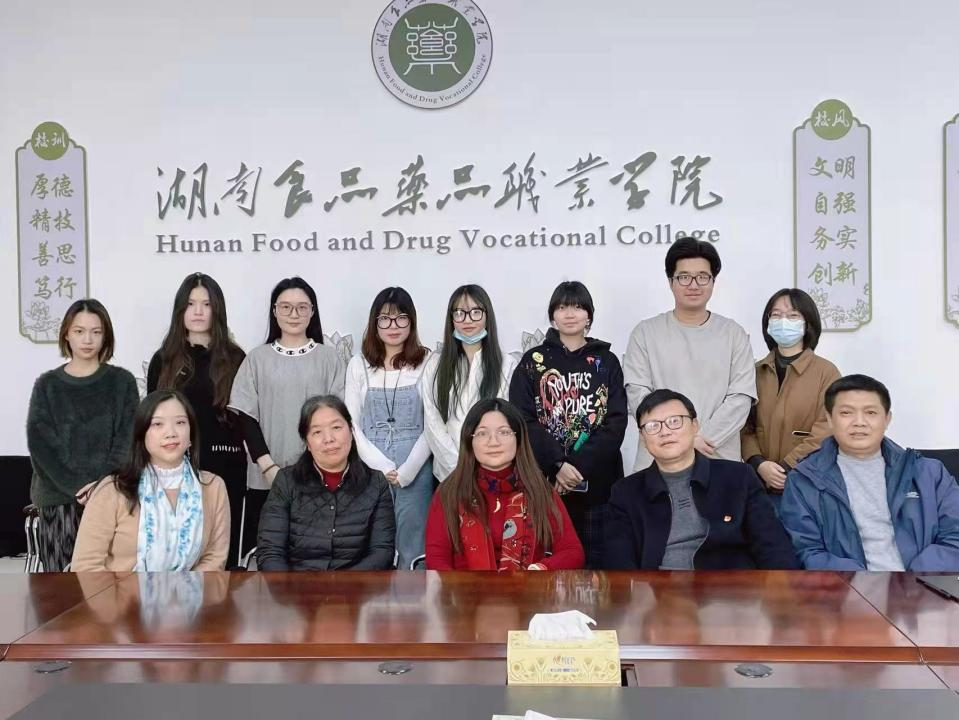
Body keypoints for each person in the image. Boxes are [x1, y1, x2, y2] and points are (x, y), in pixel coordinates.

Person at [780, 375, 959, 571]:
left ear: (887, 419)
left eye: (871, 412)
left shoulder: (929, 473)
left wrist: (912, 581)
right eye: (846, 413)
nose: (859, 422)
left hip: (924, 582)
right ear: (830, 419)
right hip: (846, 586)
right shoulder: (804, 479)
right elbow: (806, 550)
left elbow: (955, 535)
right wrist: (861, 582)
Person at [605, 389, 798, 570]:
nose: (665, 432)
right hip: (658, 590)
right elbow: (619, 564)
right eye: (653, 426)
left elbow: (774, 548)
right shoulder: (625, 492)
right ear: (642, 436)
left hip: (731, 589)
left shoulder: (739, 478)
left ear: (694, 426)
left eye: (675, 421)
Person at [509, 280, 627, 567]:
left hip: (598, 485)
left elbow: (615, 421)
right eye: (562, 307)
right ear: (553, 316)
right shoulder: (533, 361)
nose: (570, 314)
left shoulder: (607, 361)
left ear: (589, 315)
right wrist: (558, 465)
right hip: (545, 485)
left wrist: (577, 467)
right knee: (549, 568)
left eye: (577, 307)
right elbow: (522, 419)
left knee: (597, 570)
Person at [228, 277, 346, 554]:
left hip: (319, 477)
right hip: (265, 478)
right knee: (264, 558)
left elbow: (337, 419)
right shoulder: (256, 359)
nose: (294, 314)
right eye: (285, 307)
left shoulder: (330, 359)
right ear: (274, 311)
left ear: (312, 311)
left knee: (316, 558)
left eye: (302, 307)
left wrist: (316, 466)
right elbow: (246, 417)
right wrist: (268, 467)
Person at [623, 238, 756, 471]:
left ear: (713, 281)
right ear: (670, 282)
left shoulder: (734, 334)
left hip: (717, 458)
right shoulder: (645, 333)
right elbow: (638, 395)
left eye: (702, 277)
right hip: (658, 462)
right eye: (684, 277)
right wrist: (682, 439)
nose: (693, 285)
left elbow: (740, 399)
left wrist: (697, 439)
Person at [26, 299, 139, 571]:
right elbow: (41, 447)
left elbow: (126, 441)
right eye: (79, 331)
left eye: (96, 332)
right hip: (58, 501)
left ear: (105, 335)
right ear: (67, 334)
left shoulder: (122, 382)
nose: (87, 339)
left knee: (110, 586)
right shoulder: (47, 385)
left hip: (111, 499)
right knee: (61, 587)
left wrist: (100, 488)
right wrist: (78, 488)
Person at [147, 273, 247, 566]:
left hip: (225, 466)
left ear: (217, 310)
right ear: (180, 310)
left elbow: (243, 418)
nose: (199, 311)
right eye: (191, 304)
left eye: (207, 304)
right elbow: (152, 419)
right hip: (173, 467)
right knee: (175, 552)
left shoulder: (236, 358)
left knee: (221, 553)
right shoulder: (163, 360)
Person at [71, 390, 230, 572]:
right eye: (158, 424)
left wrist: (180, 589)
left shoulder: (213, 487)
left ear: (191, 434)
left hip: (191, 590)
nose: (171, 433)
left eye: (180, 422)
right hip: (117, 590)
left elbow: (214, 558)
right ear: (142, 434)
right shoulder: (113, 490)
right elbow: (86, 566)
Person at [425, 398, 584, 570]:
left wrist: (540, 569)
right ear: (470, 441)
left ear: (518, 438)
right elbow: (436, 558)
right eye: (482, 433)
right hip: (463, 586)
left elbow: (572, 551)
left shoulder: (538, 489)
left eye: (504, 432)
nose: (493, 442)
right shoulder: (450, 492)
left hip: (526, 586)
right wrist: (460, 586)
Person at [345, 287, 433, 571]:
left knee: (413, 541)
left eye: (401, 318)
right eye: (385, 319)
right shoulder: (358, 364)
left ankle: (414, 596)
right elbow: (351, 423)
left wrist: (408, 470)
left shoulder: (428, 361)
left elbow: (433, 422)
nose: (393, 326)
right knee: (372, 540)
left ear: (412, 321)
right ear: (375, 322)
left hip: (416, 467)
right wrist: (381, 467)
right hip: (370, 466)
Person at [256, 395, 396, 570]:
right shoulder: (286, 481)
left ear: (351, 431)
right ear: (307, 443)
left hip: (357, 585)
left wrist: (345, 584)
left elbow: (382, 552)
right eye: (317, 432)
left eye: (336, 427)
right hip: (297, 585)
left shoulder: (376, 483)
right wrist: (292, 586)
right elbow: (270, 552)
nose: (328, 438)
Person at [741, 288, 841, 509]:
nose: (783, 321)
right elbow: (744, 427)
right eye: (776, 315)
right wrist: (759, 464)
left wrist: (786, 467)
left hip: (807, 485)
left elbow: (826, 430)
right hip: (758, 483)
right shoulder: (754, 371)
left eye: (793, 315)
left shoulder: (826, 372)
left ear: (808, 323)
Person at [422, 284, 516, 483]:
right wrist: (457, 468)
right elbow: (432, 422)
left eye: (475, 312)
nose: (467, 320)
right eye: (459, 313)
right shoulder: (435, 364)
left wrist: (480, 469)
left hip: (493, 473)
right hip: (448, 476)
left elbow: (507, 421)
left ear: (487, 315)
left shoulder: (506, 364)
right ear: (451, 319)